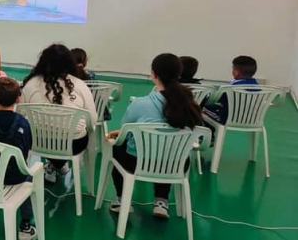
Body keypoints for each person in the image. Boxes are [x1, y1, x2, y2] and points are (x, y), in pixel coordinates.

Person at [107, 53, 202, 219]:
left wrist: (115, 136)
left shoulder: (140, 104)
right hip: (176, 165)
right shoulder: (190, 104)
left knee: (118, 147)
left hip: (137, 163)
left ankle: (123, 201)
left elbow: (125, 132)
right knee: (166, 152)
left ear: (154, 74)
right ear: (178, 74)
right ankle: (161, 202)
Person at [21, 44, 96, 183]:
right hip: (73, 144)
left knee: (46, 134)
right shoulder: (79, 84)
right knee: (73, 134)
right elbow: (92, 120)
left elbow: (20, 115)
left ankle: (56, 164)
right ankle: (58, 164)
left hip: (38, 142)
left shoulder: (31, 84)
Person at [0, 77, 35, 239]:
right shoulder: (23, 123)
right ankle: (25, 225)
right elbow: (27, 150)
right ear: (18, 98)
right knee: (28, 176)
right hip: (16, 177)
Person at [203, 55, 259, 124]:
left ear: (236, 72)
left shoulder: (231, 88)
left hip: (228, 118)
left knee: (199, 108)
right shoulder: (257, 86)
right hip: (251, 119)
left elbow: (215, 100)